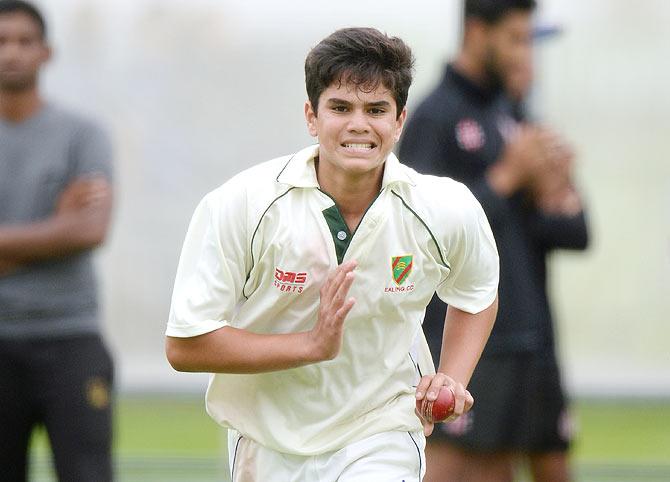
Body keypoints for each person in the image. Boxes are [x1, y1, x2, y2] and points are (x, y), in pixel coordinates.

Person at [165, 27, 499, 481]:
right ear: (311, 116)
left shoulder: (444, 208)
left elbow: (477, 293)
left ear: (400, 121)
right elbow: (186, 343)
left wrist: (451, 378)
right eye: (340, 108)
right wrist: (310, 345)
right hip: (267, 438)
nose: (359, 124)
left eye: (376, 110)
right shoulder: (243, 204)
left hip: (381, 429)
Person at [398, 1, 589, 481]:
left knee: (554, 466)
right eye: (516, 39)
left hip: (534, 340)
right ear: (478, 31)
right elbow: (420, 234)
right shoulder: (434, 119)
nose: (525, 54)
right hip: (477, 346)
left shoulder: (515, 112)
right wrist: (508, 176)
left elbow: (575, 234)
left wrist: (557, 189)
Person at [0, 1, 114, 480]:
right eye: (1, 42)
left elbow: (90, 230)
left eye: (24, 41)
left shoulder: (82, 135)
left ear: (46, 52)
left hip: (70, 336)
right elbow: (70, 232)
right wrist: (54, 229)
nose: (12, 53)